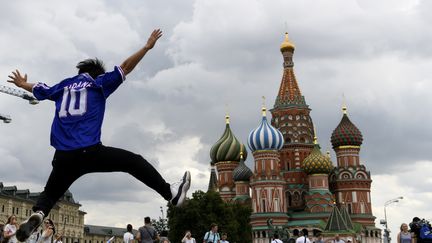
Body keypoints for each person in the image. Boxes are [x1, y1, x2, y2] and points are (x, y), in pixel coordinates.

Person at [8, 28, 192, 242]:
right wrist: (146, 48)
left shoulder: (63, 86)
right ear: (97, 73)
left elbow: (40, 87)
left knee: (50, 192)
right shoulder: (98, 83)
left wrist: (22, 84)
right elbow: (124, 67)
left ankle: (39, 213)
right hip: (90, 151)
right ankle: (170, 193)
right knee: (134, 162)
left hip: (63, 156)